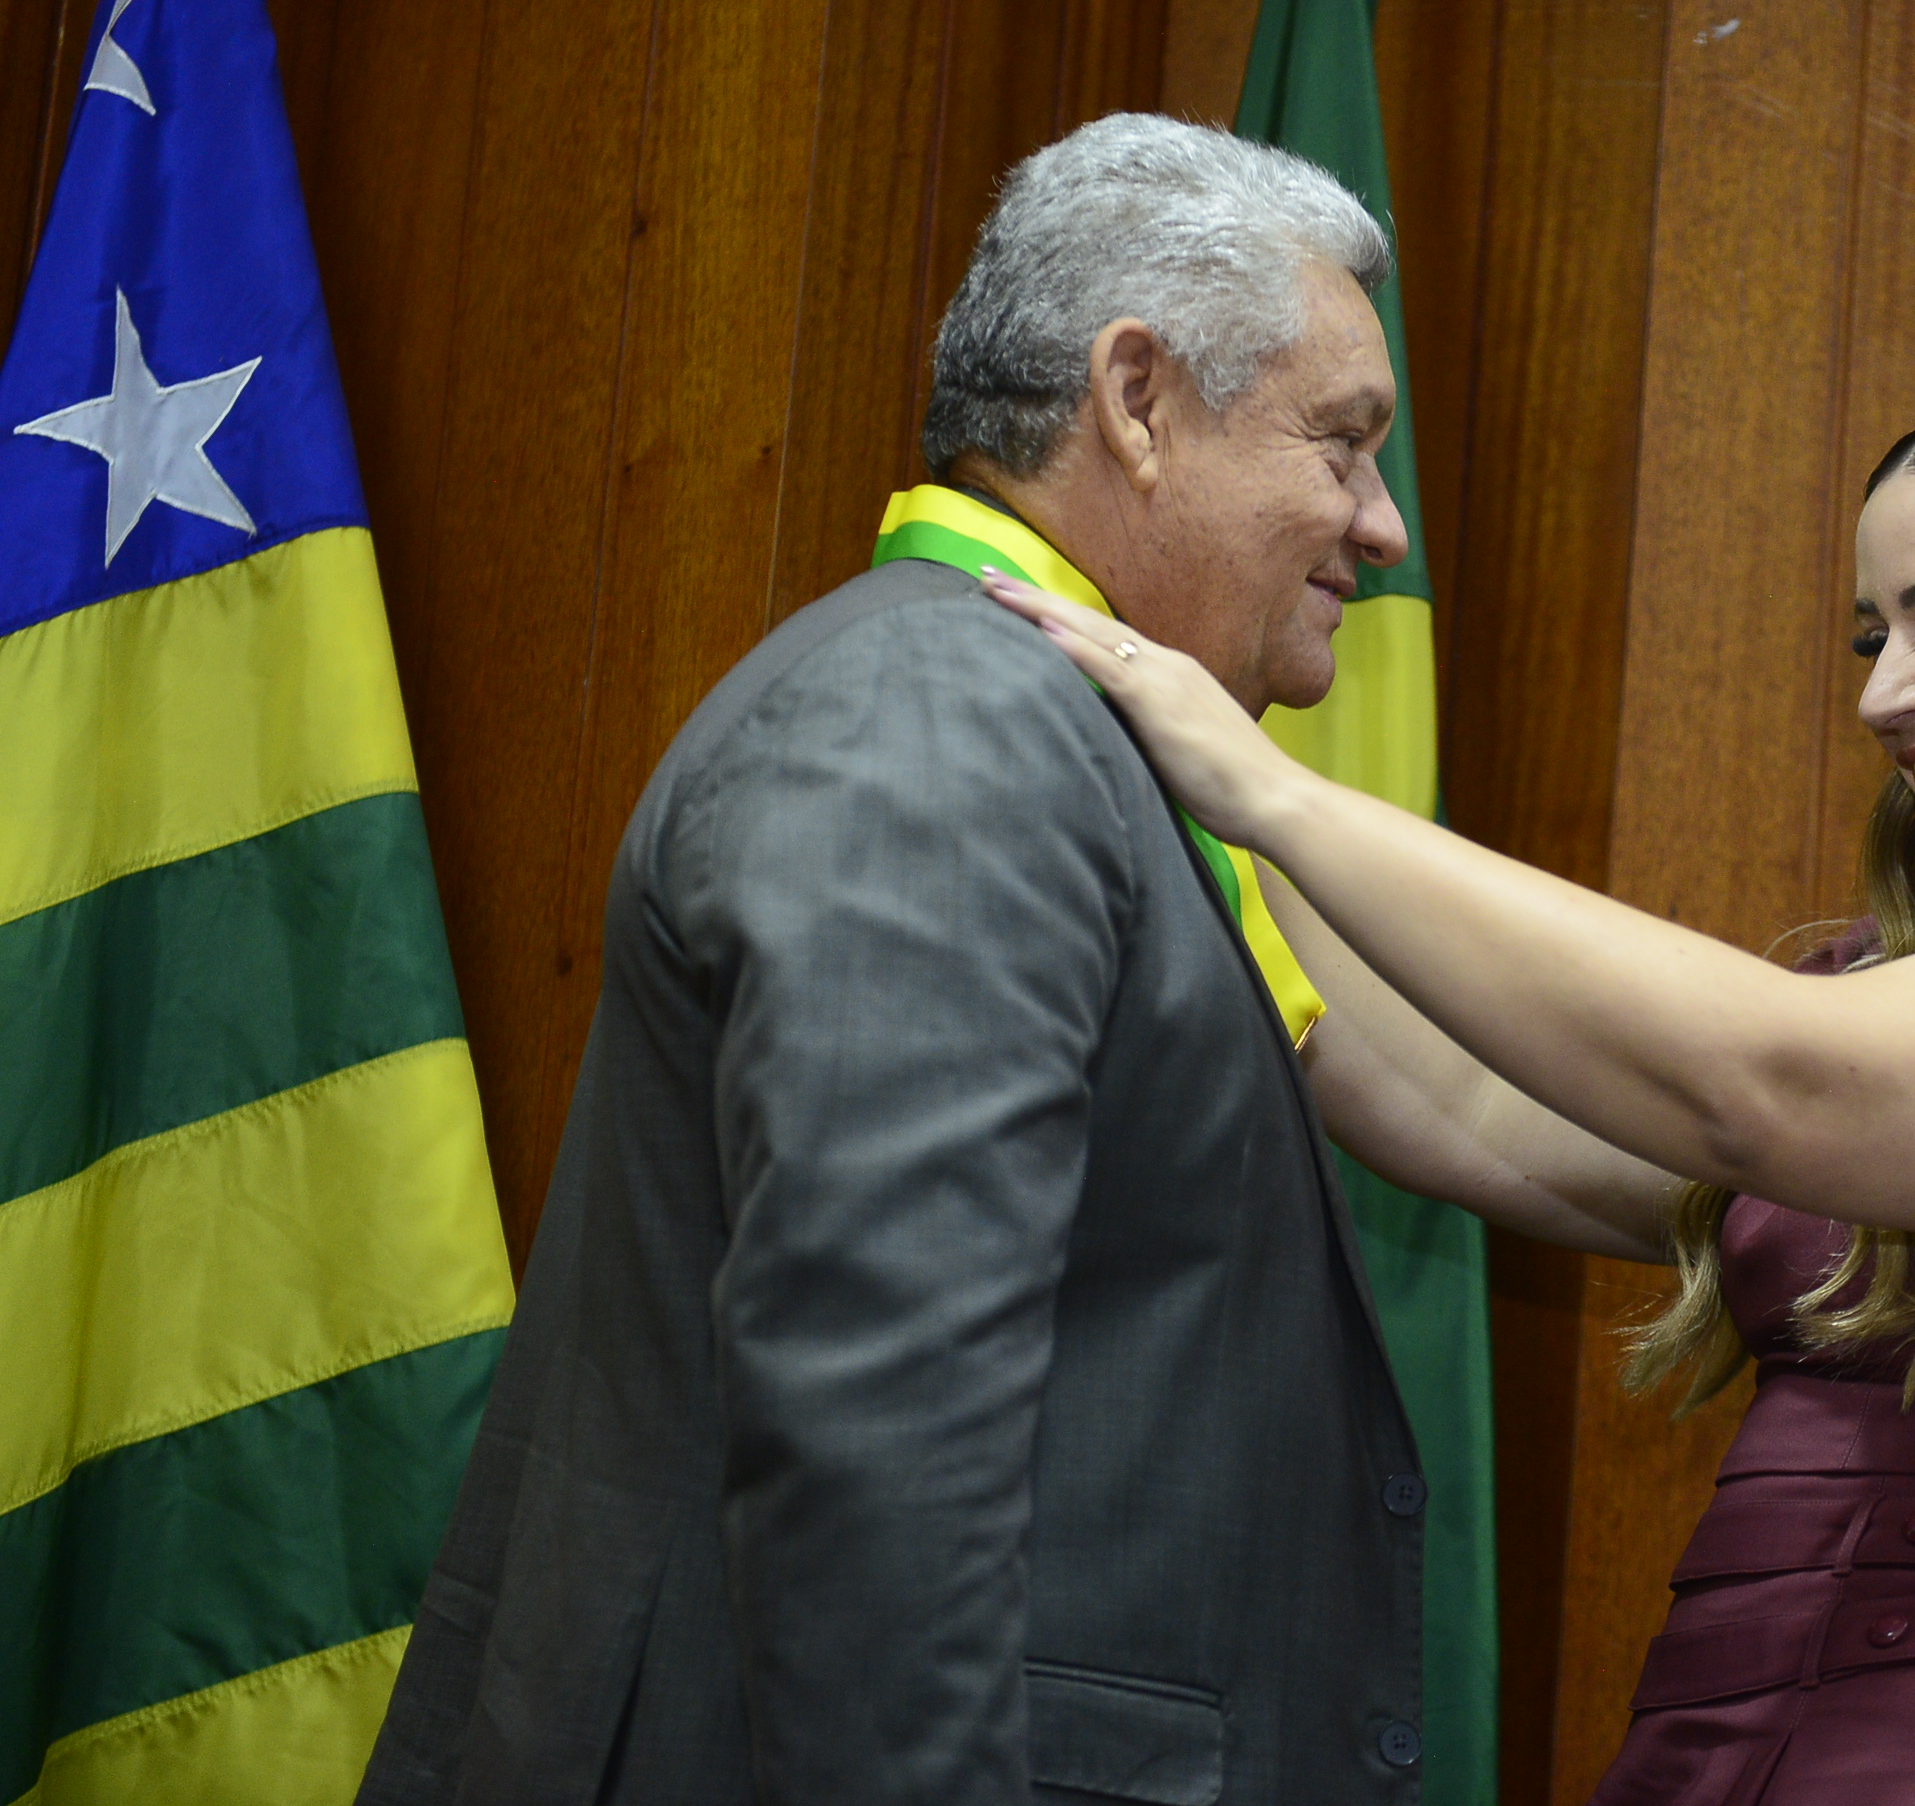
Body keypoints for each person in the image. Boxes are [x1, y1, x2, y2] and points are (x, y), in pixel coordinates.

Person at [984, 370, 1915, 1801]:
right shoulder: (1897, 985)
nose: (1886, 693)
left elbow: (1774, 1085)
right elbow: (1463, 1100)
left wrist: (1274, 793)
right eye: (1872, 637)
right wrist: (1187, 759)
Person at [358, 115, 1434, 1805]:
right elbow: (879, 1428)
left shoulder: (1043, 724)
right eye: (1344, 443)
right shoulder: (946, 717)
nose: (1381, 527)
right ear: (1137, 399)